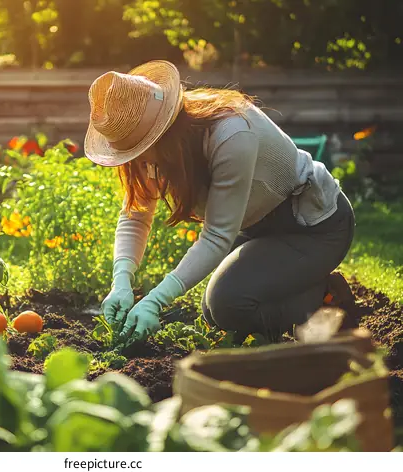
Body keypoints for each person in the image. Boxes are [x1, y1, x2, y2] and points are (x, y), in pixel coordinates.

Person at [83, 60, 356, 343]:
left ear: (162, 133)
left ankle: (326, 298)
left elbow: (216, 236)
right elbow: (136, 214)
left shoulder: (231, 135)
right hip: (259, 227)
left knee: (229, 305)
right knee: (214, 312)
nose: (136, 160)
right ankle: (299, 285)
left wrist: (155, 301)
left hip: (312, 226)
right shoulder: (153, 153)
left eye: (140, 149)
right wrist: (121, 280)